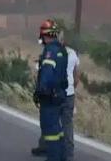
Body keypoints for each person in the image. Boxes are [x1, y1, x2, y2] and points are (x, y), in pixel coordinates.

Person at [33, 19, 69, 161]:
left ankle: (54, 158)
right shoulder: (61, 49)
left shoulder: (49, 51)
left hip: (49, 98)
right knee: (58, 131)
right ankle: (62, 157)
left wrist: (40, 91)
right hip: (59, 95)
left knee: (50, 132)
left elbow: (47, 74)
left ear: (44, 35)